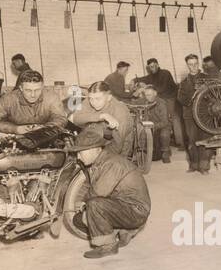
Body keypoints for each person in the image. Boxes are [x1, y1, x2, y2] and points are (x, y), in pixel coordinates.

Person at [70, 122, 151, 260]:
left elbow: (97, 192)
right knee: (79, 220)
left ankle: (108, 246)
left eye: (80, 153)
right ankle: (125, 230)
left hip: (136, 210)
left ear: (95, 149)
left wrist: (83, 204)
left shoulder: (111, 163)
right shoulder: (102, 161)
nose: (78, 157)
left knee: (94, 205)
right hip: (126, 206)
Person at [0, 70, 68, 135]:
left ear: (42, 87)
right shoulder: (8, 99)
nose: (33, 95)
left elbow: (61, 119)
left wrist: (44, 128)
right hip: (15, 140)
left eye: (37, 90)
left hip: (46, 136)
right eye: (28, 90)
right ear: (21, 88)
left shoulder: (51, 97)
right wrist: (15, 129)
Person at [68, 80, 134, 158]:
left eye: (98, 99)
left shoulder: (120, 110)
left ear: (109, 97)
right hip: (101, 135)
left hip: (120, 143)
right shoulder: (90, 100)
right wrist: (102, 116)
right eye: (91, 98)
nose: (93, 102)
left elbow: (119, 143)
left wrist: (101, 159)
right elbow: (75, 118)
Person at [177, 54, 214, 173]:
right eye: (190, 64)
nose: (193, 67)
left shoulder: (207, 79)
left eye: (195, 64)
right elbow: (180, 99)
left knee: (205, 139)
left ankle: (204, 167)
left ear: (199, 64)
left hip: (205, 115)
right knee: (192, 140)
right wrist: (193, 98)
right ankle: (193, 165)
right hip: (189, 115)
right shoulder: (184, 83)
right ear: (187, 65)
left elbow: (214, 95)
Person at [137, 81, 174, 163]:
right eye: (146, 95)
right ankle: (143, 153)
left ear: (155, 93)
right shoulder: (145, 101)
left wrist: (153, 126)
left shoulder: (161, 103)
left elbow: (164, 121)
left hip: (163, 125)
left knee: (164, 135)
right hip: (151, 125)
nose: (147, 97)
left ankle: (165, 153)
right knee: (141, 133)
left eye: (149, 95)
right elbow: (134, 103)